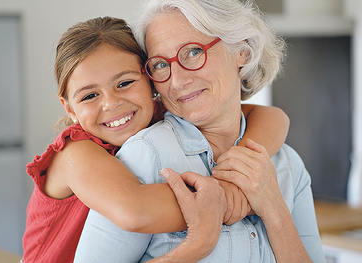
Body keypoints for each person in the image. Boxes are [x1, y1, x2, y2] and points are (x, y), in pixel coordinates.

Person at [21, 16, 290, 262]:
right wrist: (225, 202)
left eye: (124, 83)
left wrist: (239, 171)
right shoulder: (74, 153)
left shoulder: (160, 118)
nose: (112, 104)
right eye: (90, 96)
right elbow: (135, 212)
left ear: (150, 82)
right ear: (68, 108)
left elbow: (273, 117)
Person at [74, 0, 325, 262]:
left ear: (242, 50)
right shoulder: (146, 155)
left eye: (193, 52)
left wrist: (275, 210)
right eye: (161, 64)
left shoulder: (288, 166)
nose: (178, 80)